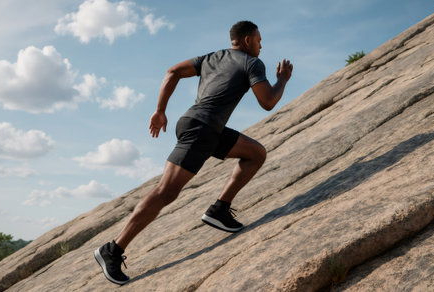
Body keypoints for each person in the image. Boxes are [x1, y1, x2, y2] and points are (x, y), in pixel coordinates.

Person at [94, 20, 293, 285]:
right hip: (202, 128)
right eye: (259, 39)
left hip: (207, 128)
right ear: (247, 40)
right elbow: (268, 101)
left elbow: (173, 71)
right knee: (166, 192)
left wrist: (160, 109)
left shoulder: (212, 57)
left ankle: (219, 209)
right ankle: (113, 250)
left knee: (256, 153)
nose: (261, 44)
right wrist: (282, 80)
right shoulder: (251, 63)